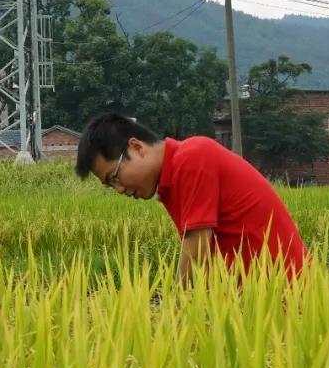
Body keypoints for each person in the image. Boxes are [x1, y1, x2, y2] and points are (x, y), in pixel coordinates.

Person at [75, 112, 306, 283]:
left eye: (115, 177)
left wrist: (176, 314)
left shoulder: (192, 158)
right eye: (109, 185)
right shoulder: (170, 182)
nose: (118, 189)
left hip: (288, 300)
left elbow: (196, 251)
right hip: (256, 301)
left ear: (136, 147)